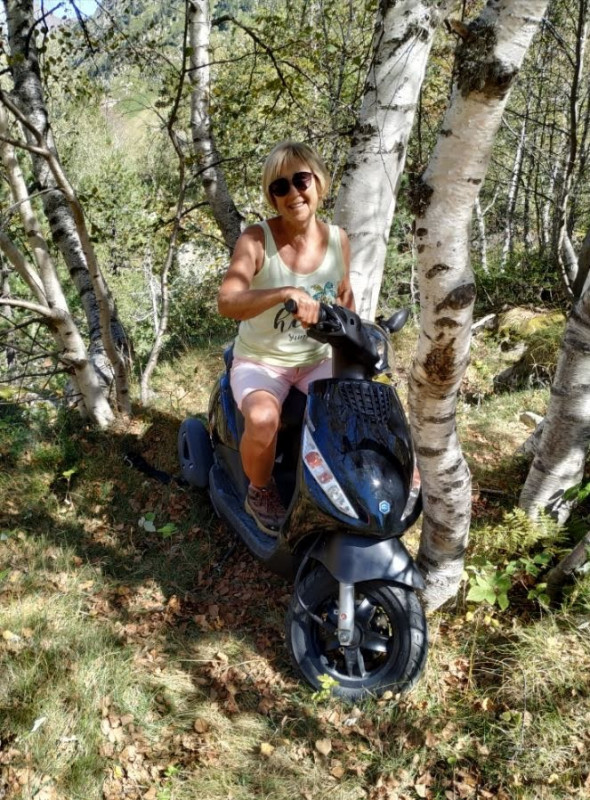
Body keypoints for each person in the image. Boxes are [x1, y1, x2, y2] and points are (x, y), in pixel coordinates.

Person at [217, 141, 355, 536]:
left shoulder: (338, 240)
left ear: (319, 183)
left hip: (317, 359)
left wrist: (357, 335)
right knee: (263, 419)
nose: (293, 193)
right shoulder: (256, 240)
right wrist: (283, 293)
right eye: (280, 187)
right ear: (272, 197)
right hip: (262, 360)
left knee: (358, 407)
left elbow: (345, 296)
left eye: (301, 181)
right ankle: (259, 490)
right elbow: (227, 301)